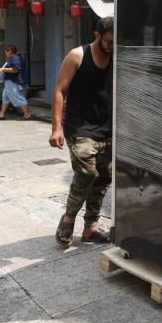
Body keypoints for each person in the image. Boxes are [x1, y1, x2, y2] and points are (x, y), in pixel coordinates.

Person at [50, 16, 114, 246]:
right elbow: (59, 91)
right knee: (87, 174)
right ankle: (69, 217)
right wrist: (56, 128)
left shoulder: (116, 56)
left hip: (108, 127)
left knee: (103, 178)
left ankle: (91, 228)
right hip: (80, 127)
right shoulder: (78, 55)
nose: (112, 47)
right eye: (108, 42)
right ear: (97, 36)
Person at [0, 45, 31, 120]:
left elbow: (16, 69)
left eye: (6, 51)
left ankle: (27, 115)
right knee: (5, 97)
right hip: (11, 81)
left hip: (13, 81)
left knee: (17, 96)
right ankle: (1, 114)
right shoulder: (16, 58)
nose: (5, 53)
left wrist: (3, 69)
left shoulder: (15, 58)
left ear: (10, 51)